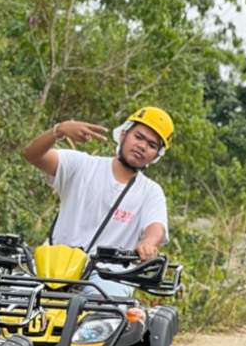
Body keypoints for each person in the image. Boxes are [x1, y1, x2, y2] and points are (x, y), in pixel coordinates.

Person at [22, 107, 173, 261]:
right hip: (54, 265)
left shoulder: (150, 191)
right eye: (138, 137)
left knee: (104, 286)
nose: (142, 146)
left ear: (156, 156)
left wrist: (148, 243)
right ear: (123, 135)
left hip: (109, 275)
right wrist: (58, 130)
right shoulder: (82, 165)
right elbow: (32, 155)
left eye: (152, 145)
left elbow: (156, 226)